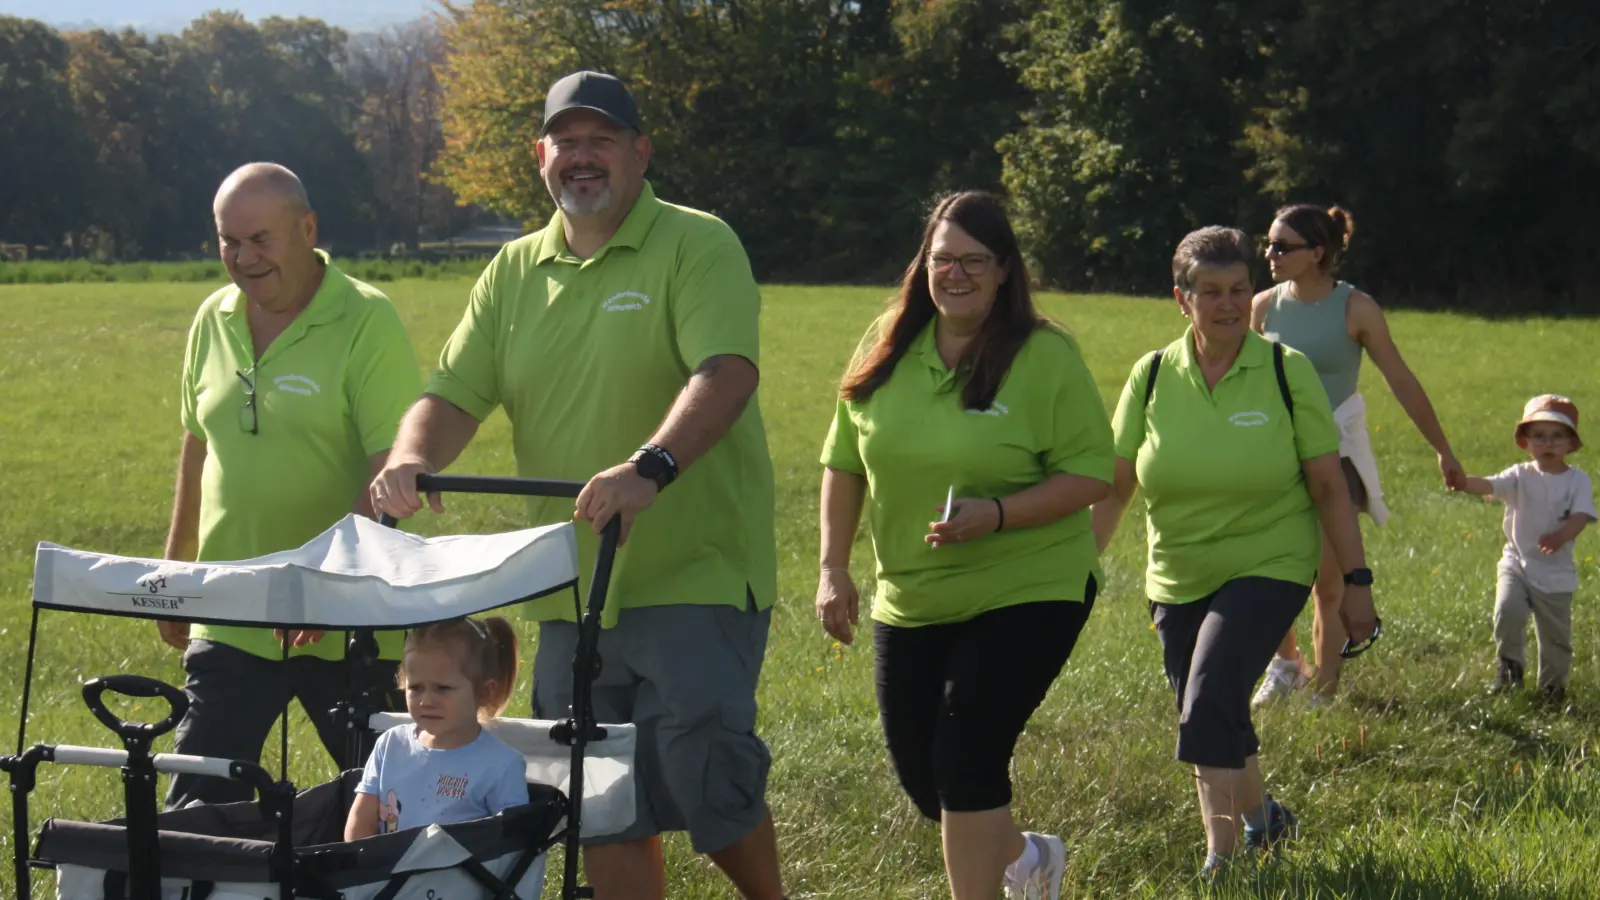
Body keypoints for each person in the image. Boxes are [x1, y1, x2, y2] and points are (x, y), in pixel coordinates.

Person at [369, 71, 786, 900]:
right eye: (567, 141)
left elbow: (726, 371)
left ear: (640, 151)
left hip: (694, 573)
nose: (583, 158)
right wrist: (410, 456)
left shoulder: (697, 243)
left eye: (602, 139)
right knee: (596, 799)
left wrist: (651, 468)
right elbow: (453, 393)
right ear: (540, 157)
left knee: (710, 782)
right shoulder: (514, 271)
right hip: (571, 590)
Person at [816, 190, 1114, 900]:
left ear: (1005, 270)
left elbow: (1090, 477)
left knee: (967, 759)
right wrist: (832, 567)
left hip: (1029, 584)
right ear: (923, 266)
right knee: (929, 785)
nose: (956, 274)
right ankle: (1029, 857)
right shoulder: (888, 345)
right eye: (942, 259)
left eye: (974, 262)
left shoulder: (1044, 355)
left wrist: (1000, 514)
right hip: (913, 595)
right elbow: (844, 463)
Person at [1091, 226, 1379, 879]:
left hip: (1269, 564)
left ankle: (1218, 863)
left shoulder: (1285, 371)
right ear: (1181, 298)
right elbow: (1116, 486)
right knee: (1212, 717)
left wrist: (1356, 580)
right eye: (1211, 292)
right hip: (1177, 574)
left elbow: (1329, 485)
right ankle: (1266, 821)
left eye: (1239, 290)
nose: (1227, 304)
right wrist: (1076, 568)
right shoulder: (1154, 374)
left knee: (1210, 702)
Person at [160, 162, 420, 810]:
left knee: (393, 805)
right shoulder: (212, 318)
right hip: (232, 607)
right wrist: (176, 567)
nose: (244, 258)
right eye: (229, 241)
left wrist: (326, 581)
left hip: (348, 617)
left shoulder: (366, 319)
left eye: (261, 239)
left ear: (307, 228)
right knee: (195, 807)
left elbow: (390, 466)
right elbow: (197, 444)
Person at [1250, 204, 1461, 705]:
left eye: (1282, 246)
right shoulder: (1262, 306)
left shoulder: (1356, 308)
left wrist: (1443, 449)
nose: (1269, 254)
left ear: (1317, 253)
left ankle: (1323, 688)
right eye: (1269, 243)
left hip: (1332, 459)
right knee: (1267, 571)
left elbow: (1401, 380)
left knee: (1328, 580)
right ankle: (1283, 666)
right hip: (1272, 457)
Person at [1456, 394, 1596, 704]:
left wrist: (1561, 536)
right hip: (1516, 562)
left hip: (1555, 572)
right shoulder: (1519, 476)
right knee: (1507, 611)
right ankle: (1510, 670)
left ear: (1571, 443)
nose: (1548, 443)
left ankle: (1553, 689)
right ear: (1525, 442)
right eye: (1539, 436)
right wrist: (1463, 481)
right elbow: (1490, 485)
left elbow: (1581, 516)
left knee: (1556, 638)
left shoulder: (1577, 481)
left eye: (1557, 436)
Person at [345, 617, 529, 840]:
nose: (426, 701)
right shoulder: (390, 745)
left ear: (484, 692)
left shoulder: (501, 766)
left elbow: (514, 846)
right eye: (416, 687)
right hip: (386, 872)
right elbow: (360, 824)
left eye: (442, 688)